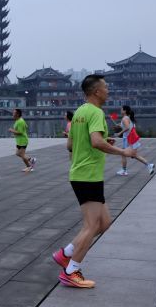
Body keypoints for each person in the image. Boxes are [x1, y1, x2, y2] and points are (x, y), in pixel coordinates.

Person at [51, 75, 141, 288]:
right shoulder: (96, 113)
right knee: (91, 226)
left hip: (84, 174)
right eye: (106, 87)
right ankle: (71, 271)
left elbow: (70, 145)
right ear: (96, 92)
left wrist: (99, 141)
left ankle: (66, 253)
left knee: (104, 223)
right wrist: (122, 151)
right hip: (87, 175)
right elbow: (95, 142)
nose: (108, 91)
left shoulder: (80, 112)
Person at [114, 105, 153, 176]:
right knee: (134, 155)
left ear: (125, 111)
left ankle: (124, 170)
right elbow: (128, 126)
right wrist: (119, 126)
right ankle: (149, 165)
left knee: (123, 154)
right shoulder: (128, 118)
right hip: (131, 139)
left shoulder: (124, 118)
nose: (120, 110)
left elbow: (127, 128)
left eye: (121, 109)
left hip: (128, 140)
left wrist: (119, 133)